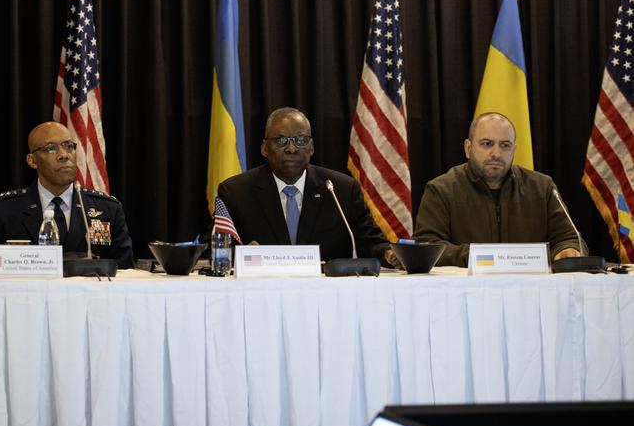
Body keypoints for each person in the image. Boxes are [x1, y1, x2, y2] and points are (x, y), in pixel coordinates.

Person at [217, 107, 394, 264]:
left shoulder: (341, 190)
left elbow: (370, 243)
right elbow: (217, 249)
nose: (292, 148)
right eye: (281, 140)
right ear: (264, 148)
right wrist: (244, 255)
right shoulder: (236, 192)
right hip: (262, 292)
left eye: (301, 140)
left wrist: (388, 254)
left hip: (327, 294)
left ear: (311, 147)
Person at [413, 112, 583, 267]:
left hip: (530, 292)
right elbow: (428, 245)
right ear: (468, 148)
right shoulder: (441, 189)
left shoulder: (543, 187)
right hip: (466, 293)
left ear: (514, 150)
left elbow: (569, 238)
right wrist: (480, 256)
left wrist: (567, 249)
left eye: (505, 145)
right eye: (486, 144)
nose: (496, 153)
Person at [0, 121, 134, 269]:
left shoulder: (107, 209)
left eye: (69, 146)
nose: (64, 155)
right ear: (32, 161)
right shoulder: (4, 209)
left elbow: (125, 272)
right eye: (51, 148)